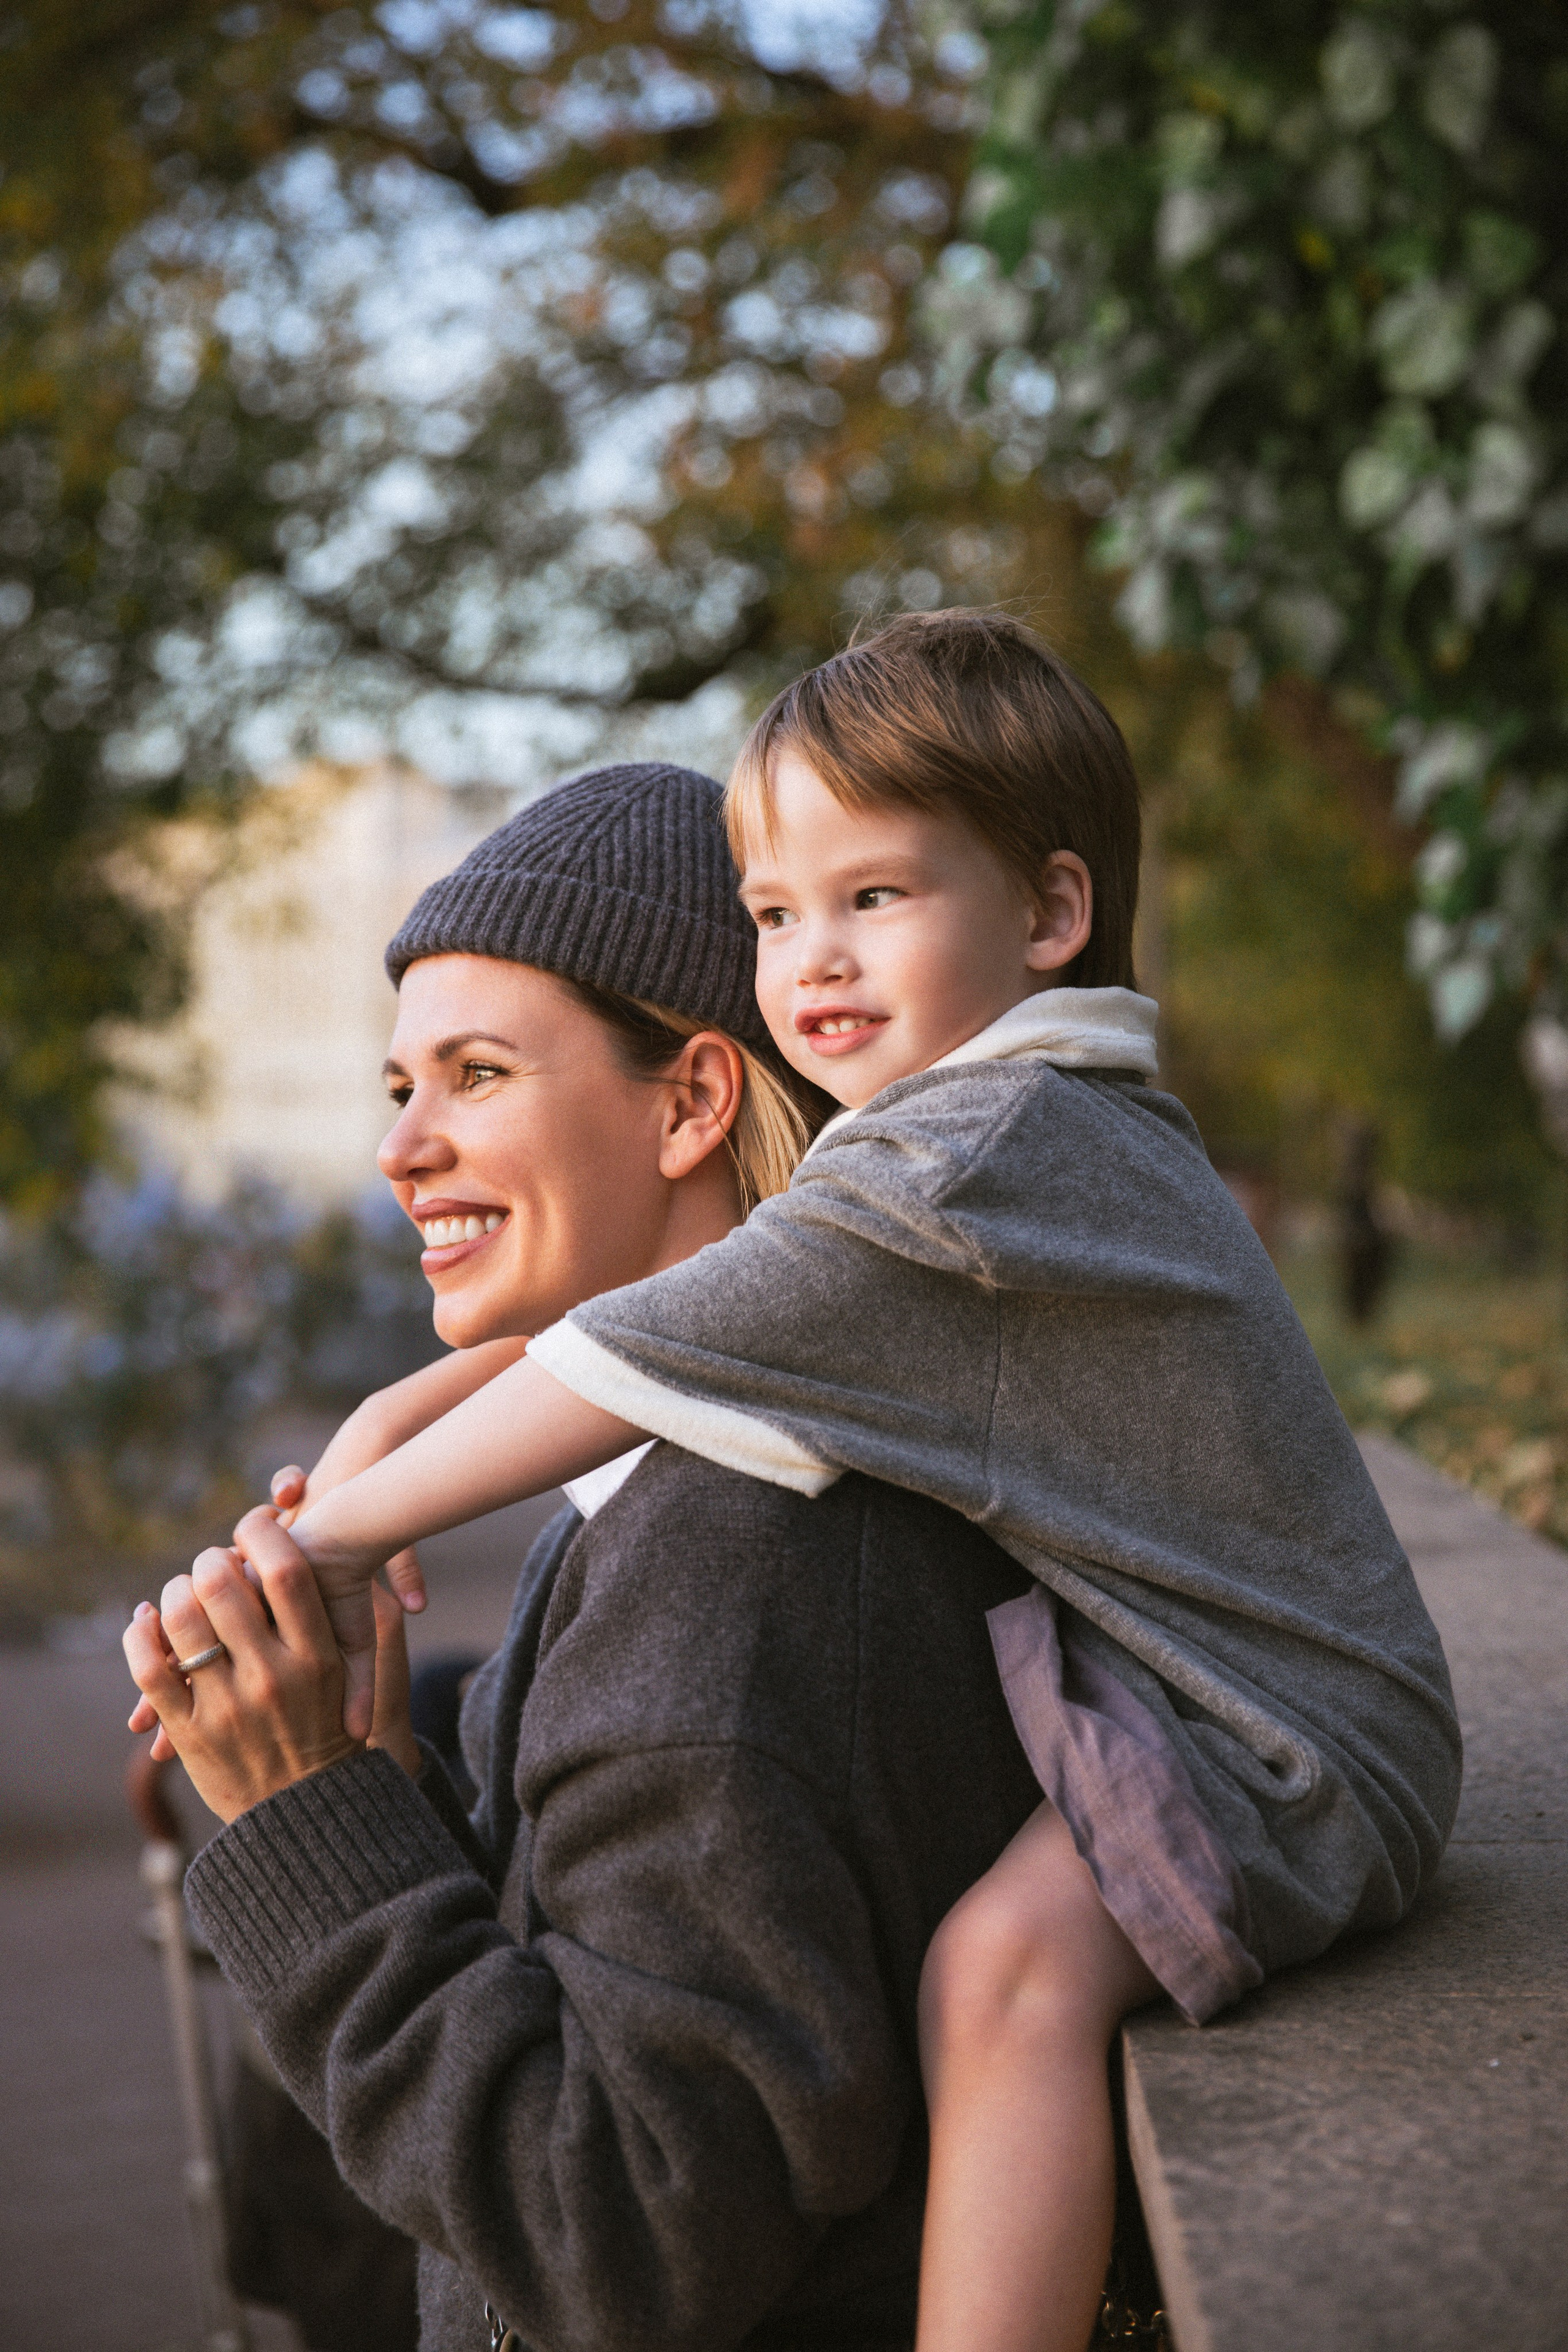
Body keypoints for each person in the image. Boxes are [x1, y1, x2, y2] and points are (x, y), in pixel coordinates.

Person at [222, 616, 1463, 2352]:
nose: (399, 1145)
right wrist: (367, 1497)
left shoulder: (962, 1175)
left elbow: (619, 2238)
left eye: (871, 896)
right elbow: (660, 1336)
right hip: (1242, 1692)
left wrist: (338, 1541)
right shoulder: (960, 1172)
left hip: (1282, 1733)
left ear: (1052, 909)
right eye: (775, 915)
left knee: (1007, 1983)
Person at [124, 759, 1047, 2352]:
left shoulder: (734, 1570)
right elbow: (574, 1969)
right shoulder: (675, 1490)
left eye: (476, 1075)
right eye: (398, 1087)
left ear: (693, 1102)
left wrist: (300, 1814)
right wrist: (380, 1781)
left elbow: (620, 2237)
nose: (403, 1149)